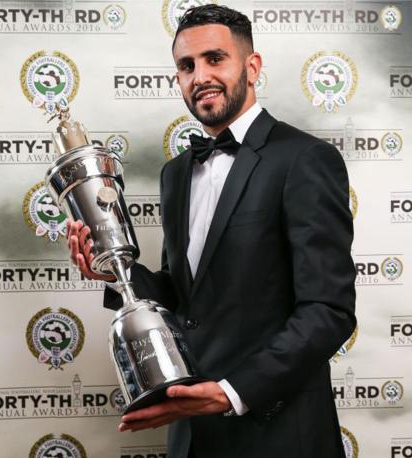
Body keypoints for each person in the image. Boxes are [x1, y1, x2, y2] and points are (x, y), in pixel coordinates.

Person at [68, 5, 356, 458]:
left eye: (214, 59)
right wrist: (115, 273)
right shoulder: (175, 173)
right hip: (193, 437)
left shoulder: (303, 159)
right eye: (187, 66)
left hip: (278, 434)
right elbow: (184, 296)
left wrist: (231, 392)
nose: (200, 75)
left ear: (252, 66)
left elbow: (328, 311)